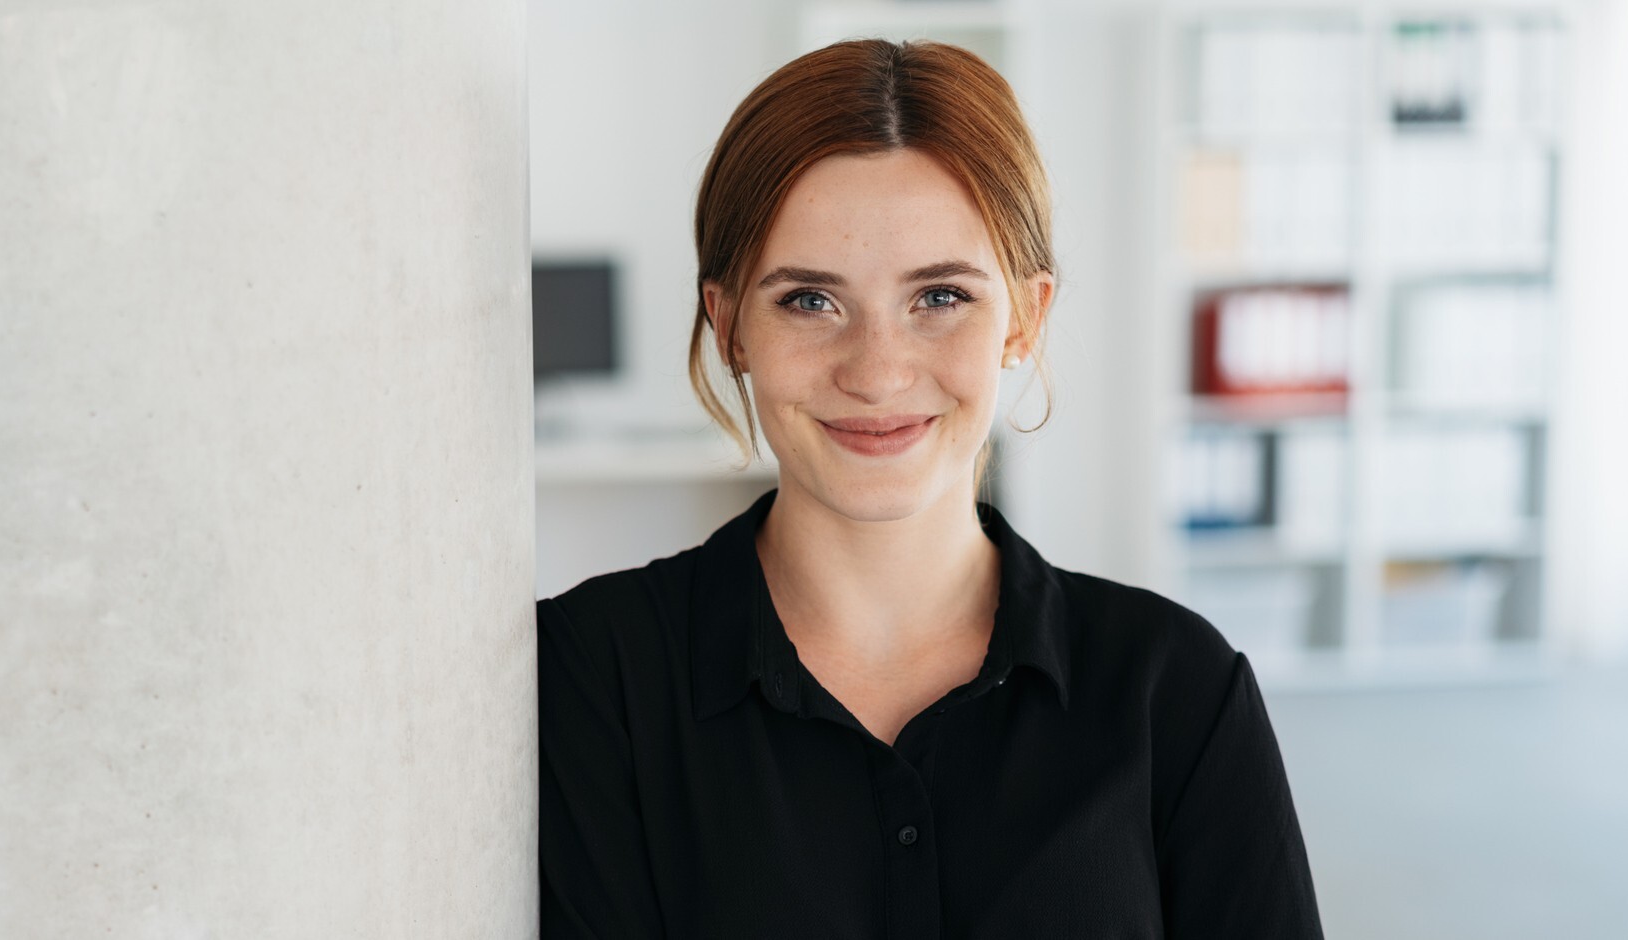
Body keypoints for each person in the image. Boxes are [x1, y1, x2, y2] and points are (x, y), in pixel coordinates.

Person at [538, 39, 1324, 938]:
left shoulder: (1176, 689)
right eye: (809, 300)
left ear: (1025, 319)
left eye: (940, 296)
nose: (876, 373)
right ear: (729, 327)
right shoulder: (591, 679)